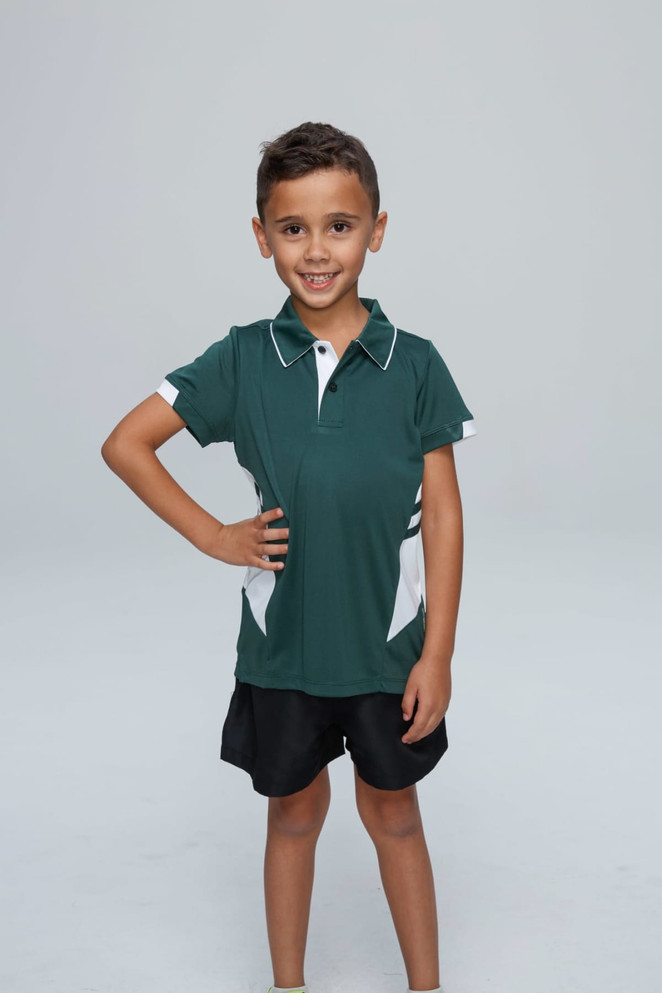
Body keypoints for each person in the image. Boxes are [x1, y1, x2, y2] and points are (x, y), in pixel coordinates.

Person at [101, 121, 477, 993]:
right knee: (294, 815)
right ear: (263, 235)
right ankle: (289, 984)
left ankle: (427, 985)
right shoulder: (240, 357)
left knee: (395, 815)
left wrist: (440, 651)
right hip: (285, 651)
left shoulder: (416, 365)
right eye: (293, 228)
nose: (317, 250)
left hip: (389, 650)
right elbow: (127, 443)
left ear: (376, 229)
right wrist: (213, 534)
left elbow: (447, 518)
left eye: (339, 225)